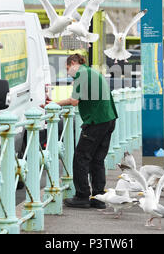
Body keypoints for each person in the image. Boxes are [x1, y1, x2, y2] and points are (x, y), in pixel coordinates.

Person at [45, 54, 118, 209]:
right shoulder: (92, 72)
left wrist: (54, 104)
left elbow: (74, 101)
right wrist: (55, 103)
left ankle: (82, 196)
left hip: (96, 121)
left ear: (72, 63)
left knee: (80, 157)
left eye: (67, 69)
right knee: (97, 160)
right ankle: (99, 197)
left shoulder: (81, 74)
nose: (68, 73)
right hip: (109, 118)